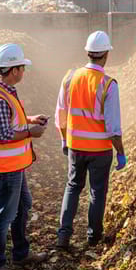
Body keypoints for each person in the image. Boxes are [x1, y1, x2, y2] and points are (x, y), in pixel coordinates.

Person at [0, 43, 49, 270]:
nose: (24, 72)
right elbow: (2, 135)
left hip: (14, 166)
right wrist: (31, 132)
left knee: (23, 206)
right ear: (13, 70)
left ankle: (21, 253)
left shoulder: (6, 89)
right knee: (4, 215)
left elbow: (10, 122)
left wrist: (30, 119)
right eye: (22, 67)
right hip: (4, 168)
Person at [56, 31, 127, 250]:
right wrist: (121, 152)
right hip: (99, 151)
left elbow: (61, 114)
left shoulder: (70, 77)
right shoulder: (108, 85)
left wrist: (64, 141)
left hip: (75, 146)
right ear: (106, 54)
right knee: (97, 192)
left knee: (72, 187)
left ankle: (63, 237)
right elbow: (113, 127)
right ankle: (93, 237)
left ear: (87, 52)